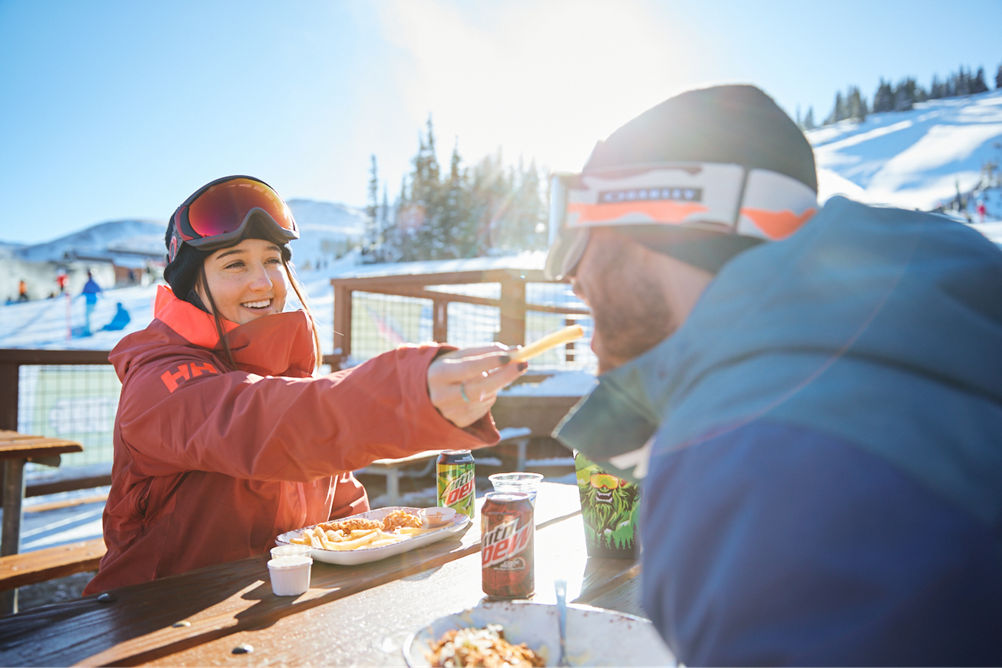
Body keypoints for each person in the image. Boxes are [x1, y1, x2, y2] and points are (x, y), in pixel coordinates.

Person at [545, 85, 1002, 665]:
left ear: (653, 211)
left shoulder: (752, 450)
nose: (567, 276)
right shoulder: (909, 357)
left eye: (572, 231)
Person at [84, 175, 526, 595]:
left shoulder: (286, 376)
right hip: (149, 619)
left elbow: (340, 508)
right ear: (190, 286)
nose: (263, 282)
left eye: (272, 261)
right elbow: (261, 425)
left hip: (266, 613)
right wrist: (410, 392)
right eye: (235, 264)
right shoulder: (159, 378)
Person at [80, 270, 103, 334]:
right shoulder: (92, 282)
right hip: (93, 301)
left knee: (89, 316)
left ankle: (89, 330)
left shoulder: (89, 283)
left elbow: (83, 291)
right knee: (90, 315)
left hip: (90, 302)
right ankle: (90, 329)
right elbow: (100, 290)